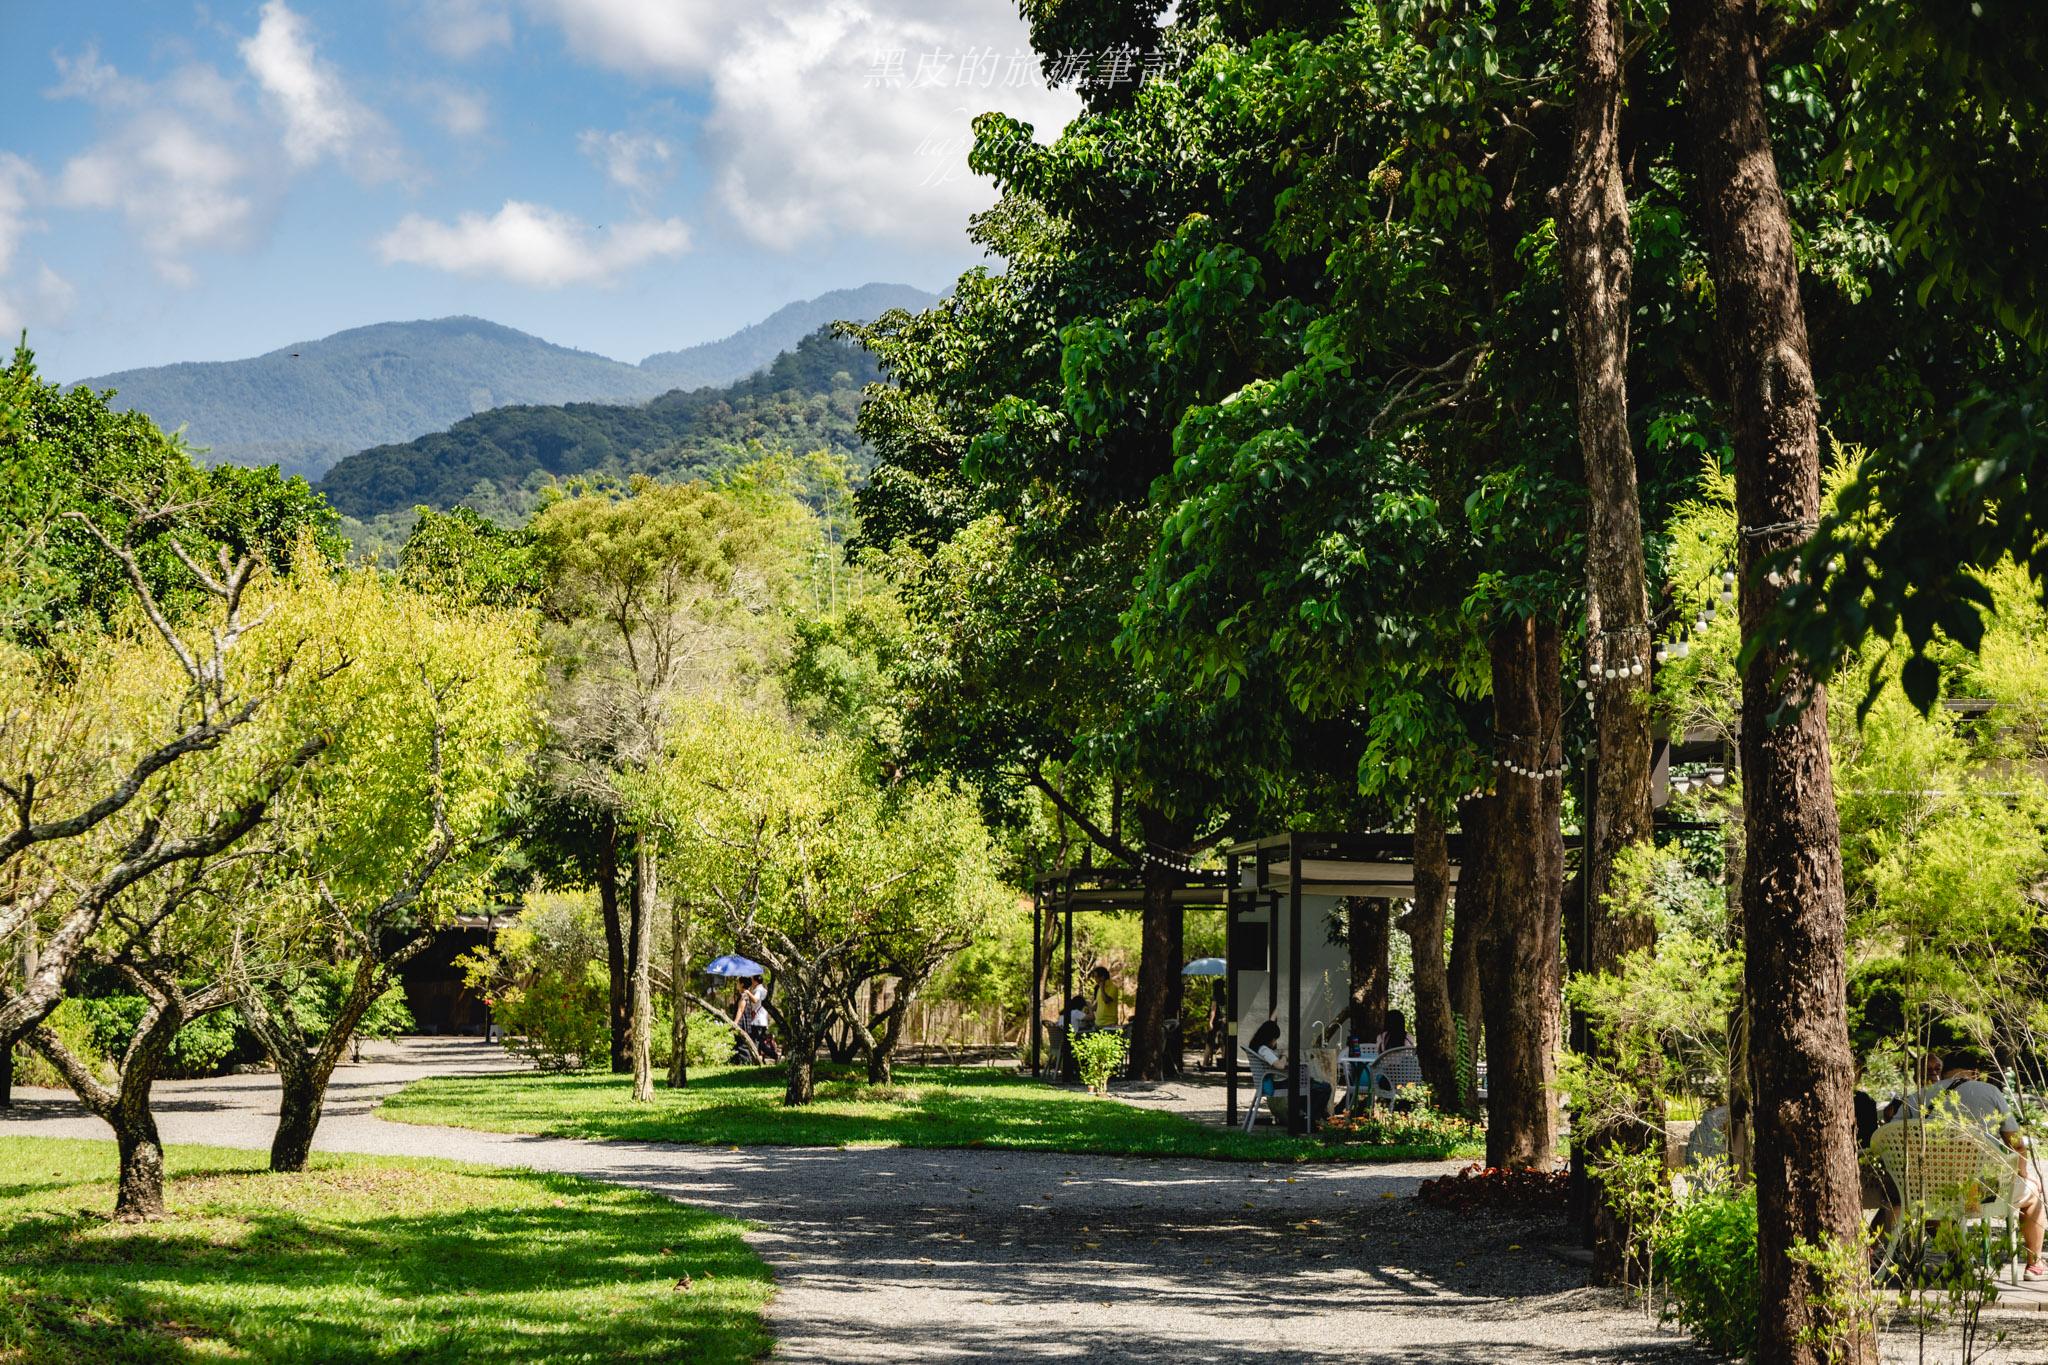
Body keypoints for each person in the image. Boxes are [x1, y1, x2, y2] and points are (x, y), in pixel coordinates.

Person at [1899, 1047, 2045, 1279]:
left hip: (1933, 1193)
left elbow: (1896, 1137)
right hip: (1981, 1194)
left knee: (1939, 1201)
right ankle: (2033, 1265)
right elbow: (2016, 1144)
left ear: (1944, 1071)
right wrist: (2023, 1173)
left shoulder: (1918, 1097)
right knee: (2034, 1191)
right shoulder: (1990, 1091)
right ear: (1974, 1072)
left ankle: (1959, 1259)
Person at [1245, 1018, 1331, 1122]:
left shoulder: (1257, 1047)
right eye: (1275, 1039)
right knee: (1325, 1087)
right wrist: (1285, 1055)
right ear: (1269, 1038)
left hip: (1277, 1082)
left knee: (1313, 1088)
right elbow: (1280, 1066)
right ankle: (1310, 1120)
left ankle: (1310, 1118)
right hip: (1280, 1084)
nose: (1275, 1042)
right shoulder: (1264, 1050)